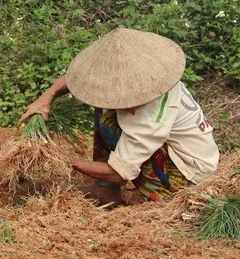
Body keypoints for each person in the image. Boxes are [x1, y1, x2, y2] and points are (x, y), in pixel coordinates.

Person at [18, 27, 219, 206]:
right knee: (102, 104)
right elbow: (79, 78)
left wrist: (64, 159)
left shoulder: (151, 116)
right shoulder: (151, 75)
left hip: (189, 173)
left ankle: (159, 194)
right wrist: (46, 98)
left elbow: (120, 173)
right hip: (175, 149)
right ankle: (106, 189)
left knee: (113, 130)